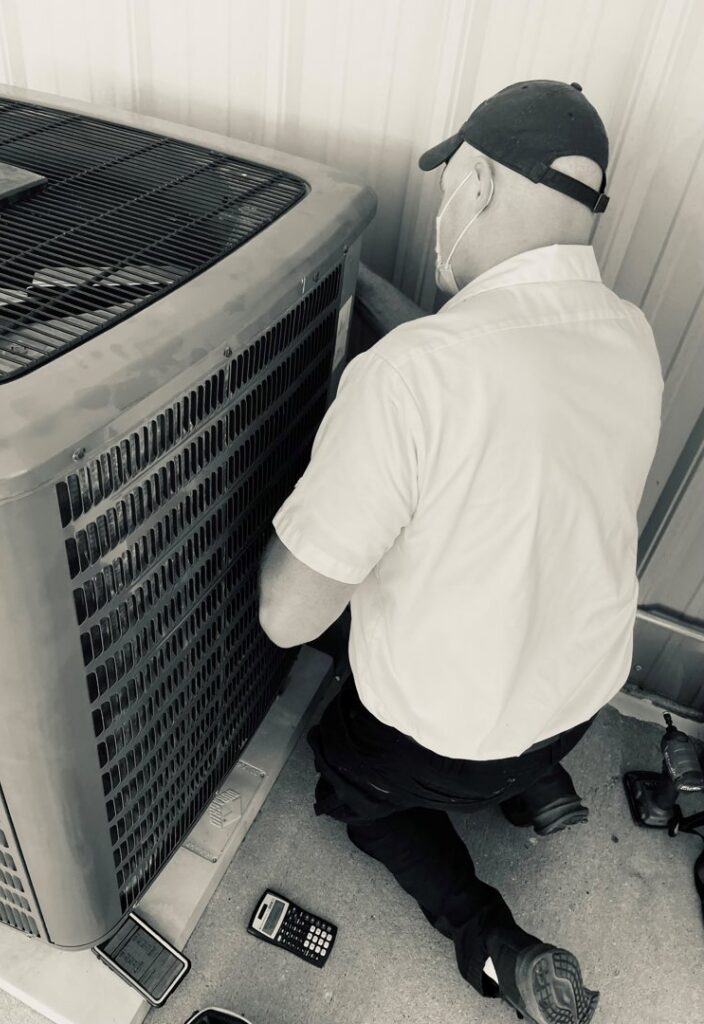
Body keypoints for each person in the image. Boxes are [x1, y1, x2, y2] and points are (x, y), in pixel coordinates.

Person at [258, 79, 663, 1024]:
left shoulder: (411, 379)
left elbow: (287, 615)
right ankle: (535, 784)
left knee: (351, 779)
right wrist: (386, 309)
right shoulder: (630, 337)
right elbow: (494, 381)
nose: (445, 209)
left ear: (475, 181)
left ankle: (488, 939)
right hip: (580, 700)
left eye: (450, 188)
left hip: (443, 747)